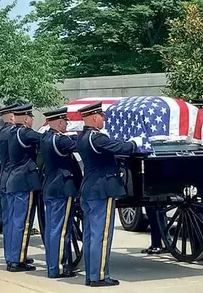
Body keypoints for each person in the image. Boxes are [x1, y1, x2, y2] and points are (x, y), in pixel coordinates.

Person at [76, 101, 141, 287]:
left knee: (90, 235)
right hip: (101, 190)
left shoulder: (82, 137)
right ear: (95, 117)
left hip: (89, 189)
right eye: (102, 116)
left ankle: (91, 274)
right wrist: (134, 142)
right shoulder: (97, 138)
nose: (104, 119)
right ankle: (99, 276)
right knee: (101, 235)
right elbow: (121, 148)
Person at [40, 107, 78, 278]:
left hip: (50, 186)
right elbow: (79, 144)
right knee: (61, 229)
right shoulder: (59, 140)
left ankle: (52, 265)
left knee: (52, 229)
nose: (66, 125)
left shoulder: (46, 137)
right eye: (65, 122)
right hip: (62, 187)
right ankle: (59, 267)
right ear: (60, 122)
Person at [5, 103, 42, 272]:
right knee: (23, 222)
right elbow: (43, 139)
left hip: (13, 180)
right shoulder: (25, 133)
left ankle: (12, 257)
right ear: (27, 119)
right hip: (25, 182)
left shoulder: (11, 132)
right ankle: (17, 261)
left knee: (15, 221)